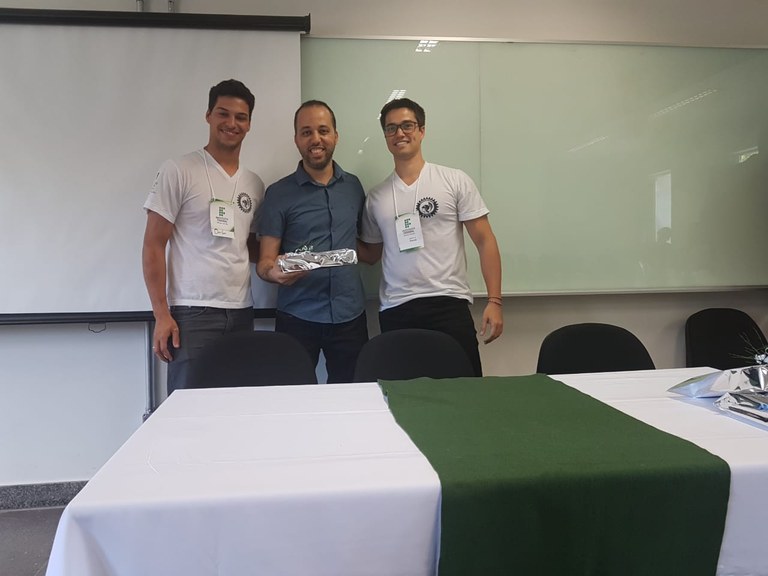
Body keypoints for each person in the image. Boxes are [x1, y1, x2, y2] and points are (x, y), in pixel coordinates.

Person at [358, 98, 503, 376]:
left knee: (464, 391)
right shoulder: (376, 197)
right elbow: (372, 254)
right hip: (396, 309)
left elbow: (485, 240)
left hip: (448, 304)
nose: (400, 133)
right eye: (391, 128)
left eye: (407, 125)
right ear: (385, 136)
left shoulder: (454, 180)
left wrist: (495, 301)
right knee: (404, 395)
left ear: (422, 130)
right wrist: (332, 240)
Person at [142, 79, 264, 394]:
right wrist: (161, 314)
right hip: (192, 313)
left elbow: (247, 246)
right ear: (208, 115)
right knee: (189, 407)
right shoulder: (179, 170)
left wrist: (282, 261)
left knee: (237, 403)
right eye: (223, 113)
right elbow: (153, 244)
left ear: (249, 124)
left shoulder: (254, 184)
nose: (232, 123)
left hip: (241, 311)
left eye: (241, 117)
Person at [257, 100, 368, 383]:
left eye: (323, 130)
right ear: (296, 139)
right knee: (293, 399)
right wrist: (274, 272)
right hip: (297, 316)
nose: (316, 139)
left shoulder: (354, 187)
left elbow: (364, 244)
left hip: (349, 316)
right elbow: (265, 263)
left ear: (336, 136)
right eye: (306, 132)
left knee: (350, 399)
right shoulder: (278, 193)